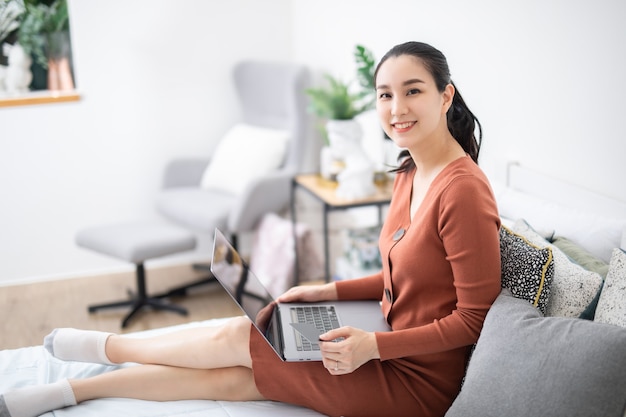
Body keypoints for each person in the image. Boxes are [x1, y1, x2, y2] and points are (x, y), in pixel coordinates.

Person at [0, 41, 502, 417]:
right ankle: (76, 388)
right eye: (385, 94)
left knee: (236, 353)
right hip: (384, 336)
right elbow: (404, 282)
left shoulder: (463, 190)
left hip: (419, 379)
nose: (397, 109)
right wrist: (326, 289)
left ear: (445, 96)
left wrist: (372, 347)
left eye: (413, 91)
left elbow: (474, 318)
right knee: (242, 345)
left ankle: (101, 355)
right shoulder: (410, 170)